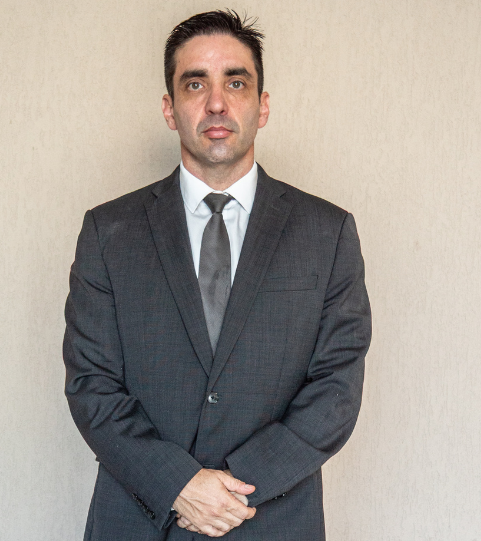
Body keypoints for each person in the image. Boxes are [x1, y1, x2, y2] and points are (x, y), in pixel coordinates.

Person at [63, 9, 371, 541]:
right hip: (138, 520)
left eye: (235, 82)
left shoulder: (328, 232)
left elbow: (336, 389)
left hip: (273, 520)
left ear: (262, 105)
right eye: (194, 83)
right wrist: (177, 484)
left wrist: (233, 488)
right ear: (169, 108)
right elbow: (91, 383)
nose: (216, 103)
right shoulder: (108, 231)